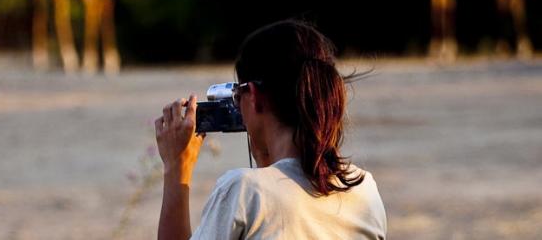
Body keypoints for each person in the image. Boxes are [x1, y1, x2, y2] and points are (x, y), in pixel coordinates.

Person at [154, 19, 387, 239]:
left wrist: (177, 168)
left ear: (253, 96)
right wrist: (267, 161)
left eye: (237, 95)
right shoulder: (365, 190)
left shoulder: (243, 191)